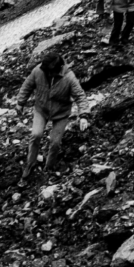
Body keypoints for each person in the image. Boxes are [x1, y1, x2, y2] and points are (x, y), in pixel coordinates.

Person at [16, 51, 90, 186]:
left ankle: (49, 167)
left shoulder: (69, 78)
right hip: (41, 109)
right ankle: (30, 164)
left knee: (55, 142)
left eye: (51, 73)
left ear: (59, 69)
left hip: (61, 113)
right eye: (47, 72)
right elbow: (27, 85)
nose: (49, 75)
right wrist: (20, 103)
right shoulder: (38, 71)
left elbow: (80, 96)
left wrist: (84, 115)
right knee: (36, 135)